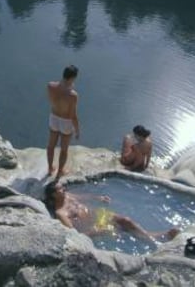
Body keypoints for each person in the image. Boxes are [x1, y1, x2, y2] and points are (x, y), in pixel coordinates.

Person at [44, 181, 179, 241]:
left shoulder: (68, 195)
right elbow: (74, 234)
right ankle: (158, 239)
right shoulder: (60, 213)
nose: (64, 189)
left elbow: (84, 197)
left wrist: (98, 198)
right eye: (60, 189)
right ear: (54, 195)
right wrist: (95, 232)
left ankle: (153, 236)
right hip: (93, 227)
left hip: (98, 215)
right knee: (119, 231)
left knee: (126, 221)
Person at [46, 64, 80, 179]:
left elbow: (55, 98)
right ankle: (60, 171)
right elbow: (73, 115)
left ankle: (50, 168)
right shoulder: (73, 95)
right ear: (72, 78)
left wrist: (67, 85)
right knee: (64, 149)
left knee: (51, 146)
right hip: (65, 121)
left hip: (54, 117)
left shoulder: (50, 86)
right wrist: (77, 130)